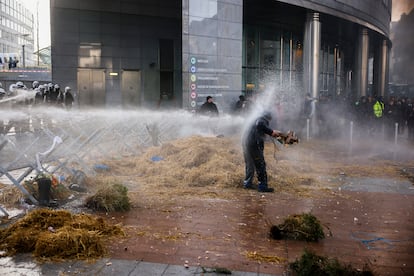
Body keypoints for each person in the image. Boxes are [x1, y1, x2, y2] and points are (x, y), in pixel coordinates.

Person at [242, 111, 282, 192]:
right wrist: (271, 132)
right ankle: (262, 186)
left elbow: (260, 128)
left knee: (250, 164)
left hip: (246, 143)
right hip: (254, 145)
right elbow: (260, 124)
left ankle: (247, 183)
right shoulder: (261, 120)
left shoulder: (254, 120)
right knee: (260, 165)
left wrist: (272, 132)